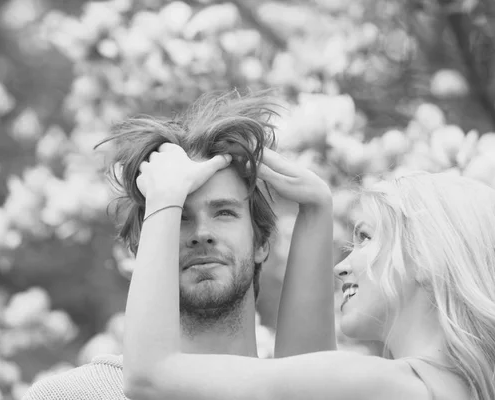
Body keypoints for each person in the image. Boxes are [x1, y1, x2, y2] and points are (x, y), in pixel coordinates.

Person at [122, 163, 495, 400]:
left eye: (366, 238)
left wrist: (163, 202)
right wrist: (315, 209)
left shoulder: (385, 386)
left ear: (428, 257)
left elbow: (150, 377)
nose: (342, 267)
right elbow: (304, 381)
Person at [21, 89, 334, 399]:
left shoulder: (293, 391)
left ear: (261, 242)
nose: (202, 232)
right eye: (179, 217)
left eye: (224, 212)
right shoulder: (69, 395)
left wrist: (317, 207)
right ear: (140, 249)